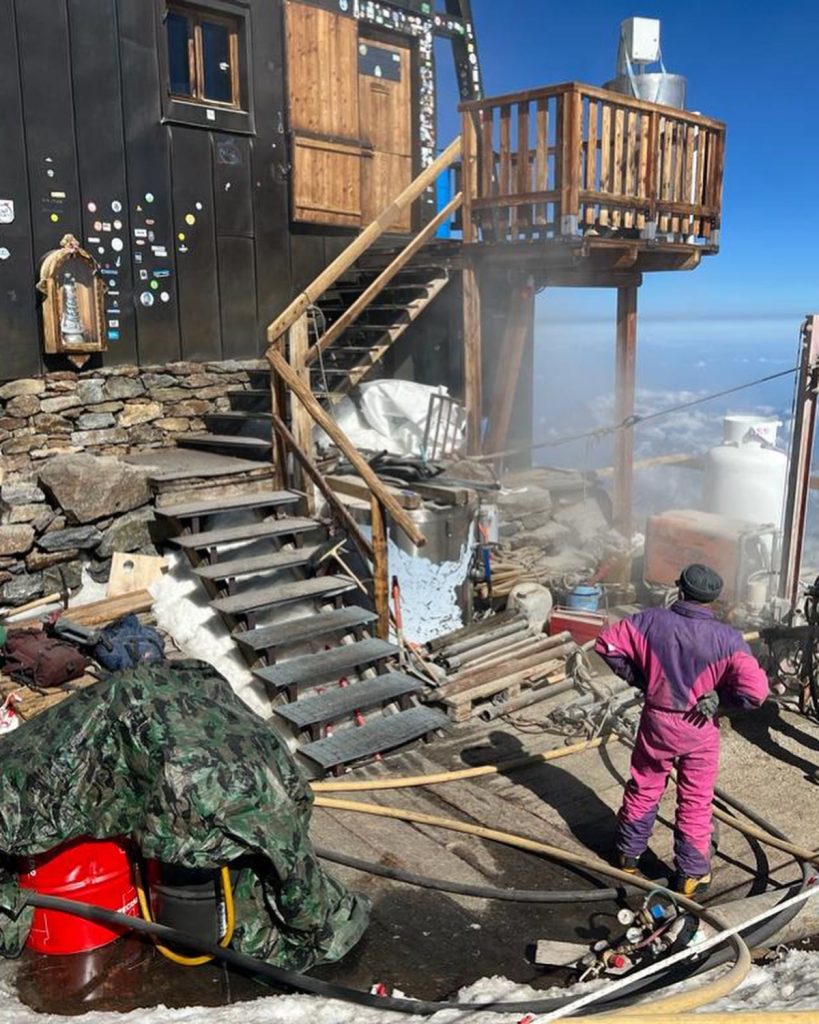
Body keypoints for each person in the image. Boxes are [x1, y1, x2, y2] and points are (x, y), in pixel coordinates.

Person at [593, 563, 769, 896]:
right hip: (698, 727)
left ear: (681, 590)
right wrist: (721, 698)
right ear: (714, 599)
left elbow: (607, 645)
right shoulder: (727, 638)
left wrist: (639, 678)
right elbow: (756, 693)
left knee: (645, 785)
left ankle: (628, 854)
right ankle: (691, 874)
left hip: (657, 722)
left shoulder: (650, 620)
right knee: (695, 799)